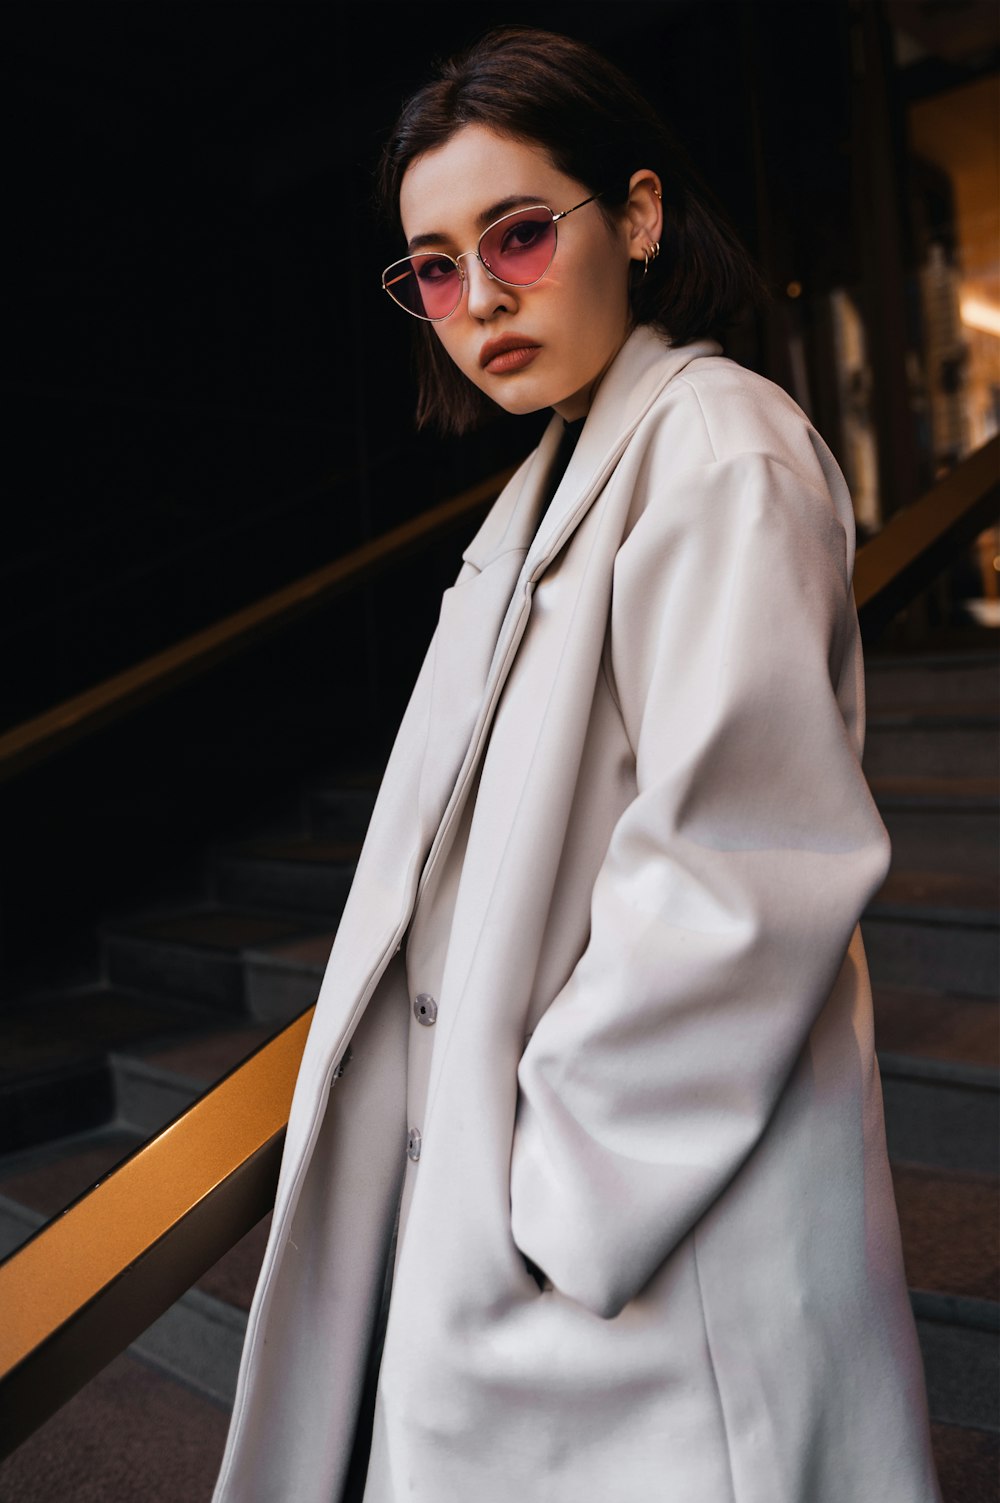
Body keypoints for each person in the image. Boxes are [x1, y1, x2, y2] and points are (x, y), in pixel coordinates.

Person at [213, 27, 941, 1503]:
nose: (479, 301)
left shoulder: (719, 444)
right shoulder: (557, 474)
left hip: (651, 1255)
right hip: (553, 1237)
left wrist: (552, 1198)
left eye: (522, 234)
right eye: (434, 266)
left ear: (644, 215)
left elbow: (745, 866)